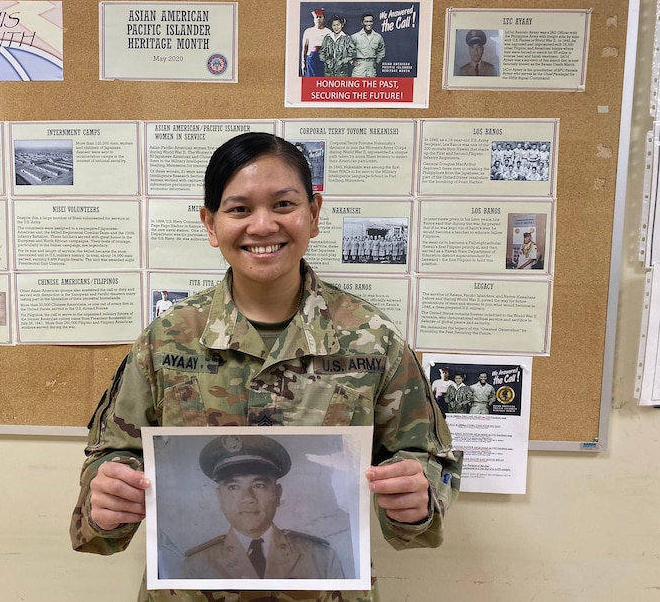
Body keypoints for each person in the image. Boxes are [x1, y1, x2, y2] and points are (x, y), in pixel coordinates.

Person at [69, 132, 462, 602]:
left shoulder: (373, 339)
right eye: (239, 209)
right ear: (210, 224)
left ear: (313, 214)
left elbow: (428, 457)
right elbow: (112, 454)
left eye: (282, 204)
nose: (262, 225)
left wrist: (417, 497)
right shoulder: (166, 340)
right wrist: (109, 491)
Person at [182, 435, 345, 579]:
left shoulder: (321, 558)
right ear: (219, 498)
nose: (247, 498)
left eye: (259, 485)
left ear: (278, 494)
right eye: (233, 487)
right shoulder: (196, 566)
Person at [351, 13, 385, 77]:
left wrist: (377, 61)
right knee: (358, 86)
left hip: (371, 67)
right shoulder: (355, 37)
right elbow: (347, 50)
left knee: (371, 86)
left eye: (370, 21)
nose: (368, 23)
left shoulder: (378, 37)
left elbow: (382, 50)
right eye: (366, 21)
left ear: (373, 22)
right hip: (360, 67)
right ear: (362, 23)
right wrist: (351, 62)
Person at [301, 8, 329, 77]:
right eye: (317, 17)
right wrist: (303, 63)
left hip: (323, 60)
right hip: (311, 60)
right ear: (314, 19)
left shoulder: (328, 32)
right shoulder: (308, 31)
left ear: (324, 18)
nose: (318, 19)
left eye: (320, 17)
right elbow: (304, 49)